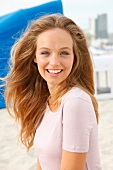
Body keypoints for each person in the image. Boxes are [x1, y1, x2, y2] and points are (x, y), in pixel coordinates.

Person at [3, 13, 102, 170]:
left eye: (64, 53)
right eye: (45, 53)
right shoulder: (45, 100)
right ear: (34, 56)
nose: (54, 62)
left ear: (75, 57)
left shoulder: (75, 102)